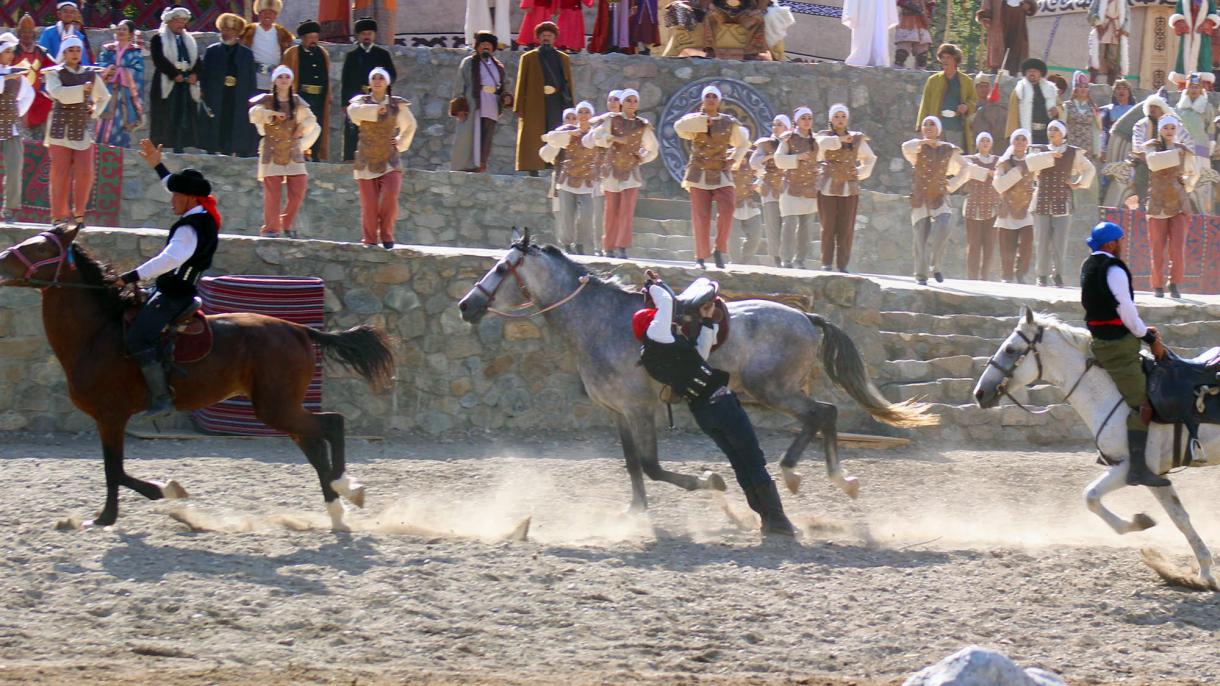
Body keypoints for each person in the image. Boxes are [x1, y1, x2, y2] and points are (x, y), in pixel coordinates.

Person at [634, 269, 797, 538]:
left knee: (740, 463)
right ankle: (777, 521)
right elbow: (665, 302)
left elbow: (700, 353)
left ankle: (768, 519)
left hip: (704, 413)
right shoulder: (660, 337)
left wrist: (708, 322)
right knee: (753, 461)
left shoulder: (654, 359)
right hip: (723, 406)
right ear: (653, 327)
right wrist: (655, 284)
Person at [121, 139, 221, 419]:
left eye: (176, 196)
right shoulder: (200, 212)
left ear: (188, 198)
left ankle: (162, 397)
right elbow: (171, 184)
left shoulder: (190, 228)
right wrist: (156, 164)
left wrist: (131, 276)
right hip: (171, 288)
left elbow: (169, 260)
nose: (171, 199)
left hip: (175, 295)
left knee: (139, 338)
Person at [1079, 221, 1172, 488]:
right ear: (1110, 244)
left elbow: (1107, 310)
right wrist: (1149, 337)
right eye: (1119, 240)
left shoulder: (1088, 266)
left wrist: (1141, 330)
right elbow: (1126, 311)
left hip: (1102, 339)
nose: (1122, 245)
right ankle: (1138, 469)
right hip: (1118, 346)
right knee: (1144, 403)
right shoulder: (1114, 269)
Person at [674, 86, 749, 270]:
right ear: (702, 100)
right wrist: (702, 122)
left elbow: (743, 143)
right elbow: (679, 127)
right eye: (707, 96)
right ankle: (701, 255)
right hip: (699, 171)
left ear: (719, 100)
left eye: (714, 96)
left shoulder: (728, 122)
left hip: (720, 171)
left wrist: (733, 159)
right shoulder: (694, 121)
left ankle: (719, 248)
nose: (711, 99)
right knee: (701, 215)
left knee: (728, 206)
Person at [44, 36, 110, 227]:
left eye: (77, 50)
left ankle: (79, 214)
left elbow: (103, 97)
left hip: (82, 129)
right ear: (64, 53)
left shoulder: (90, 74)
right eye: (70, 50)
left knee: (85, 172)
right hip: (60, 130)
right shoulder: (53, 74)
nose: (74, 54)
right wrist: (82, 89)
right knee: (59, 174)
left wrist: (95, 111)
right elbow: (59, 95)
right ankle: (58, 217)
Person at [347, 67, 416, 249]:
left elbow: (410, 125)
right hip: (366, 158)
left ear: (387, 83)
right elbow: (354, 113)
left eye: (381, 78)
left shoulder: (396, 105)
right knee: (369, 204)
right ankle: (370, 239)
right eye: (374, 78)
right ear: (370, 83)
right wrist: (377, 110)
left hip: (389, 158)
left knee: (390, 194)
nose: (377, 81)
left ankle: (386, 233)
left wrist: (400, 142)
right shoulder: (360, 102)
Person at [250, 66, 321, 239]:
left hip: (292, 150)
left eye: (287, 77)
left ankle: (286, 223)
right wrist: (272, 113)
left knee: (299, 187)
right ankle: (271, 229)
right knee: (272, 194)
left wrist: (302, 128)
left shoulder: (297, 101)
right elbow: (253, 114)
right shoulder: (266, 99)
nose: (283, 80)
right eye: (280, 77)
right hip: (272, 150)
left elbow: (311, 118)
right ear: (274, 80)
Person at [587, 88, 658, 258]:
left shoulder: (642, 125)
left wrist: (641, 159)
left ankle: (622, 247)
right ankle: (609, 247)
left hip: (631, 172)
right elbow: (597, 137)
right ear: (622, 103)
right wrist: (613, 138)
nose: (631, 104)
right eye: (628, 100)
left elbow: (653, 148)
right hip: (612, 170)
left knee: (627, 210)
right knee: (611, 210)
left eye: (634, 101)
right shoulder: (612, 120)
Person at [1027, 120, 1096, 287]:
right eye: (1050, 129)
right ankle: (1041, 275)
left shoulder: (1073, 153)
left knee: (1059, 242)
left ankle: (1057, 273)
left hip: (1062, 200)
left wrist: (1078, 183)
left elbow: (1089, 169)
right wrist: (1048, 156)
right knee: (1042, 240)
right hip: (1042, 199)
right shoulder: (1040, 151)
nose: (1052, 132)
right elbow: (1029, 164)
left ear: (1063, 133)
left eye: (1056, 129)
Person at [903, 115, 965, 285]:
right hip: (920, 196)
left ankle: (935, 265)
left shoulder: (947, 149)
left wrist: (952, 184)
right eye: (925, 124)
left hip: (939, 196)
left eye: (932, 125)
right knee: (920, 238)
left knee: (944, 224)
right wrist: (923, 143)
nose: (929, 127)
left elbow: (966, 167)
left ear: (939, 130)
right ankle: (921, 276)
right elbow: (904, 147)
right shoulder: (916, 149)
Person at [1140, 115, 1197, 298]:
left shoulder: (1183, 150)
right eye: (1166, 128)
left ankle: (1174, 284)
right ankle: (1157, 285)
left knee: (1177, 249)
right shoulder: (1151, 147)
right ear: (1160, 130)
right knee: (1157, 250)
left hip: (1179, 203)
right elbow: (1153, 162)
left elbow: (1193, 173)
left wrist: (1186, 183)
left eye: (1172, 128)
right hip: (1157, 204)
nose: (1169, 131)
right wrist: (1174, 155)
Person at [814, 104, 876, 273]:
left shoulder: (856, 139)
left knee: (846, 226)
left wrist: (859, 173)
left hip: (849, 186)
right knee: (828, 225)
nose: (840, 120)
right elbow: (821, 146)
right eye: (836, 116)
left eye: (843, 116)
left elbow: (870, 158)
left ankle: (842, 264)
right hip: (828, 185)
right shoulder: (823, 137)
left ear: (847, 119)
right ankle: (826, 262)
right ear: (830, 119)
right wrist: (839, 140)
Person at [514, 22, 573, 174]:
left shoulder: (563, 58)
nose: (546, 38)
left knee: (556, 131)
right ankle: (533, 168)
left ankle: (555, 165)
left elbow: (568, 83)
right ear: (539, 38)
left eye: (550, 36)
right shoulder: (528, 58)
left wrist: (571, 106)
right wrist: (519, 106)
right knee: (534, 134)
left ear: (555, 39)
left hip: (556, 102)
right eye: (544, 36)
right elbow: (522, 83)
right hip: (535, 102)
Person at [450, 31, 512, 173]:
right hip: (473, 104)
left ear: (493, 48)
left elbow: (504, 85)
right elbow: (460, 83)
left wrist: (506, 96)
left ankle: (480, 165)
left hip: (491, 105)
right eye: (482, 44)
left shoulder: (498, 66)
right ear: (477, 47)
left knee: (486, 138)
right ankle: (464, 167)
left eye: (488, 45)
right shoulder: (468, 63)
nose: (485, 47)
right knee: (468, 137)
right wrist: (460, 105)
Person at [543, 100, 600, 254]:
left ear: (591, 115)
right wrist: (568, 133)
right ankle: (567, 244)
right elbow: (548, 138)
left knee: (587, 214)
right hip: (567, 179)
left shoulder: (595, 134)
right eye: (580, 112)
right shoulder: (568, 132)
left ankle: (581, 244)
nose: (583, 115)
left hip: (587, 181)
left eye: (586, 112)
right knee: (567, 215)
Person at [200, 13, 259, 157]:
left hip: (237, 97)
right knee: (214, 125)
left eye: (231, 30)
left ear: (238, 33)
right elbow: (204, 75)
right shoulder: (212, 51)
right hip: (216, 95)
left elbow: (251, 79)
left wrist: (251, 99)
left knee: (234, 124)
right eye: (224, 29)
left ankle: (231, 150)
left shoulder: (246, 54)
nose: (226, 33)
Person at [341, 18, 397, 162]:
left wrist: (382, 89)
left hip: (378, 98)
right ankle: (350, 158)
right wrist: (344, 102)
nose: (367, 36)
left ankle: (379, 157)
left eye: (369, 33)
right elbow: (345, 81)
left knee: (378, 127)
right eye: (363, 33)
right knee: (354, 127)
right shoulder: (352, 56)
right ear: (358, 36)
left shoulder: (383, 54)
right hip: (356, 97)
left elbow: (392, 76)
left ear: (374, 35)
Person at [148, 6, 202, 154]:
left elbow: (196, 59)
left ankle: (180, 144)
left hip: (184, 85)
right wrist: (173, 74)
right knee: (165, 115)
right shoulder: (159, 39)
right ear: (169, 21)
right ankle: (162, 146)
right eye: (177, 21)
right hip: (167, 83)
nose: (181, 25)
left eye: (183, 21)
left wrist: (195, 74)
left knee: (183, 115)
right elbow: (159, 59)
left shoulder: (189, 40)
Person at [773, 107, 819, 270]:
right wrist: (797, 157)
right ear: (797, 121)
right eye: (803, 118)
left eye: (809, 118)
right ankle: (786, 259)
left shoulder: (815, 141)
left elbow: (821, 159)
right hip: (791, 186)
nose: (807, 121)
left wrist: (818, 169)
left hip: (809, 187)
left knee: (806, 227)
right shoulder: (789, 139)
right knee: (789, 224)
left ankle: (800, 260)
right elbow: (778, 160)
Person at [281, 20, 332, 161]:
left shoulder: (323, 53)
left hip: (319, 98)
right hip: (301, 96)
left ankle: (315, 154)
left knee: (318, 125)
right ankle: (298, 153)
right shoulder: (292, 53)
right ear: (302, 38)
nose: (313, 41)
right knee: (300, 124)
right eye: (310, 38)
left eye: (316, 37)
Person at [992, 128, 1036, 283]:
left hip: (1026, 207)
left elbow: (1038, 180)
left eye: (1023, 139)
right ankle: (1007, 275)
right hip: (1007, 208)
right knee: (1006, 246)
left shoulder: (1032, 162)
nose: (1020, 142)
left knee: (1027, 244)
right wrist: (1017, 171)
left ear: (1027, 143)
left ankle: (1021, 273)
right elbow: (998, 185)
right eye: (1017, 139)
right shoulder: (1003, 162)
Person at [916, 43, 978, 152]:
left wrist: (966, 107)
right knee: (936, 161)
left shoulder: (966, 81)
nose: (944, 60)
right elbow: (925, 104)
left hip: (957, 129)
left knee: (954, 162)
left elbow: (973, 101)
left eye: (948, 57)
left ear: (956, 59)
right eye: (942, 57)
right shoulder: (933, 80)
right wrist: (921, 127)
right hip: (937, 131)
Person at [0, 33, 34, 222]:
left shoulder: (16, 75)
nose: (10, 55)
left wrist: (16, 111)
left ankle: (9, 209)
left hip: (10, 128)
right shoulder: (9, 75)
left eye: (11, 52)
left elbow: (28, 95)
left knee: (14, 169)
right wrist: (5, 79)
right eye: (6, 52)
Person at [95, 20, 144, 150]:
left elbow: (138, 70)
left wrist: (122, 71)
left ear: (130, 34)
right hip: (108, 91)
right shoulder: (108, 49)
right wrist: (108, 69)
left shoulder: (135, 52)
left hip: (125, 94)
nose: (120, 32)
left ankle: (120, 151)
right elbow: (99, 65)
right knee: (103, 121)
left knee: (122, 121)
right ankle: (100, 148)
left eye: (124, 29)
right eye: (119, 29)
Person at [748, 114, 790, 267]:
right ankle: (777, 259)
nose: (776, 127)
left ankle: (788, 256)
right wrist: (768, 157)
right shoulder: (766, 144)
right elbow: (753, 163)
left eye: (779, 124)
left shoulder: (793, 142)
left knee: (789, 224)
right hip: (770, 188)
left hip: (788, 188)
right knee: (773, 225)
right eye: (774, 124)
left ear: (787, 127)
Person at [959, 132, 1001, 280]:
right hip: (973, 207)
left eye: (987, 141)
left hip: (992, 207)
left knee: (989, 245)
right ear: (977, 143)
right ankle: (972, 277)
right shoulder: (969, 160)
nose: (985, 143)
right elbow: (963, 168)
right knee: (974, 245)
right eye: (982, 140)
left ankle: (985, 277)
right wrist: (987, 172)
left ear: (991, 144)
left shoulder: (999, 161)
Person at [1175, 72, 1216, 213]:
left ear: (1201, 89)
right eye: (1191, 87)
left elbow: (1210, 127)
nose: (1193, 90)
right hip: (1183, 149)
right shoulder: (1179, 108)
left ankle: (1204, 212)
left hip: (1201, 149)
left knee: (1202, 182)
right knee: (1182, 179)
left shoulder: (1206, 107)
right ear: (1186, 88)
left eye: (1196, 87)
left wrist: (1211, 144)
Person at [12, 14, 55, 133]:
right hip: (15, 94)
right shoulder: (12, 51)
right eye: (24, 31)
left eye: (30, 32)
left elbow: (54, 67)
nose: (27, 34)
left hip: (34, 95)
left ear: (34, 33)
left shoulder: (40, 52)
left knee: (49, 102)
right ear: (19, 33)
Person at [241, 0, 295, 93]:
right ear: (258, 13)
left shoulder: (283, 34)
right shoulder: (248, 32)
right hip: (251, 79)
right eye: (264, 12)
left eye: (271, 12)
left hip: (274, 81)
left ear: (276, 15)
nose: (268, 15)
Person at [1006, 57, 1060, 145]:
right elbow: (1013, 115)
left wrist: (1057, 112)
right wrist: (1013, 136)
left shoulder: (1050, 90)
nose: (1032, 73)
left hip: (1047, 135)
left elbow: (1060, 108)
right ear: (1025, 73)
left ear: (1040, 73)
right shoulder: (1019, 91)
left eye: (1035, 71)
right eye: (1029, 71)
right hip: (1026, 134)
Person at [976, 0, 1037, 76]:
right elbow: (986, 4)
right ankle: (995, 76)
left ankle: (1013, 77)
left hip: (1019, 12)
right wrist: (985, 15)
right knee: (998, 50)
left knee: (1016, 49)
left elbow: (1031, 4)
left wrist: (1029, 4)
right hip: (999, 14)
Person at [729, 146, 762, 265]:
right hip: (731, 205)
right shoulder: (728, 159)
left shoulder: (752, 159)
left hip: (748, 203)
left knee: (756, 235)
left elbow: (765, 173)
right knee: (733, 237)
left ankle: (744, 262)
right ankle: (735, 262)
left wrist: (756, 184)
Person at [1170, 0, 1220, 78]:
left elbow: (1213, 14)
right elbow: (1178, 14)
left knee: (1203, 57)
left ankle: (1203, 81)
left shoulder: (1209, 1)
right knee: (1184, 56)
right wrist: (1180, 22)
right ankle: (1183, 81)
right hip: (1187, 34)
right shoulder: (1182, 1)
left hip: (1202, 35)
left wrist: (1208, 22)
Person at [843, 0, 898, 67]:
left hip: (881, 5)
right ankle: (860, 57)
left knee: (879, 30)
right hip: (864, 7)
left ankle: (879, 59)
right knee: (863, 30)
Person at [38, 2, 93, 67]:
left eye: (71, 12)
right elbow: (41, 55)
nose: (68, 14)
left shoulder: (79, 36)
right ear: (59, 14)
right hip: (51, 70)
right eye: (65, 11)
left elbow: (83, 61)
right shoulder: (48, 32)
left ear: (74, 15)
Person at [1088, 0, 1129, 86]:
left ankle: (1111, 86)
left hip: (1116, 30)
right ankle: (1092, 84)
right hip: (1102, 29)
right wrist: (1098, 25)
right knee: (1096, 57)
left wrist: (1123, 30)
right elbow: (1092, 11)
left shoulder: (1124, 2)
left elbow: (1127, 17)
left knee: (1113, 60)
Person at [1064, 71, 1101, 162]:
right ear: (1075, 89)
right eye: (1080, 86)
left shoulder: (1093, 107)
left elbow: (1096, 130)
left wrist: (1097, 150)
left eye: (1086, 86)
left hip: (1087, 148)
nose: (1083, 89)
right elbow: (1062, 127)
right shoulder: (1066, 106)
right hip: (1071, 145)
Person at [894, 0, 935, 69]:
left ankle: (920, 78)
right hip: (905, 25)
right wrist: (910, 5)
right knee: (901, 56)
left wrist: (926, 14)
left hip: (922, 27)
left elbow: (930, 8)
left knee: (922, 59)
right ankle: (895, 77)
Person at [973, 74, 1008, 148]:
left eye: (986, 86)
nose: (983, 89)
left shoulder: (997, 108)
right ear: (975, 88)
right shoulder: (969, 105)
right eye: (980, 86)